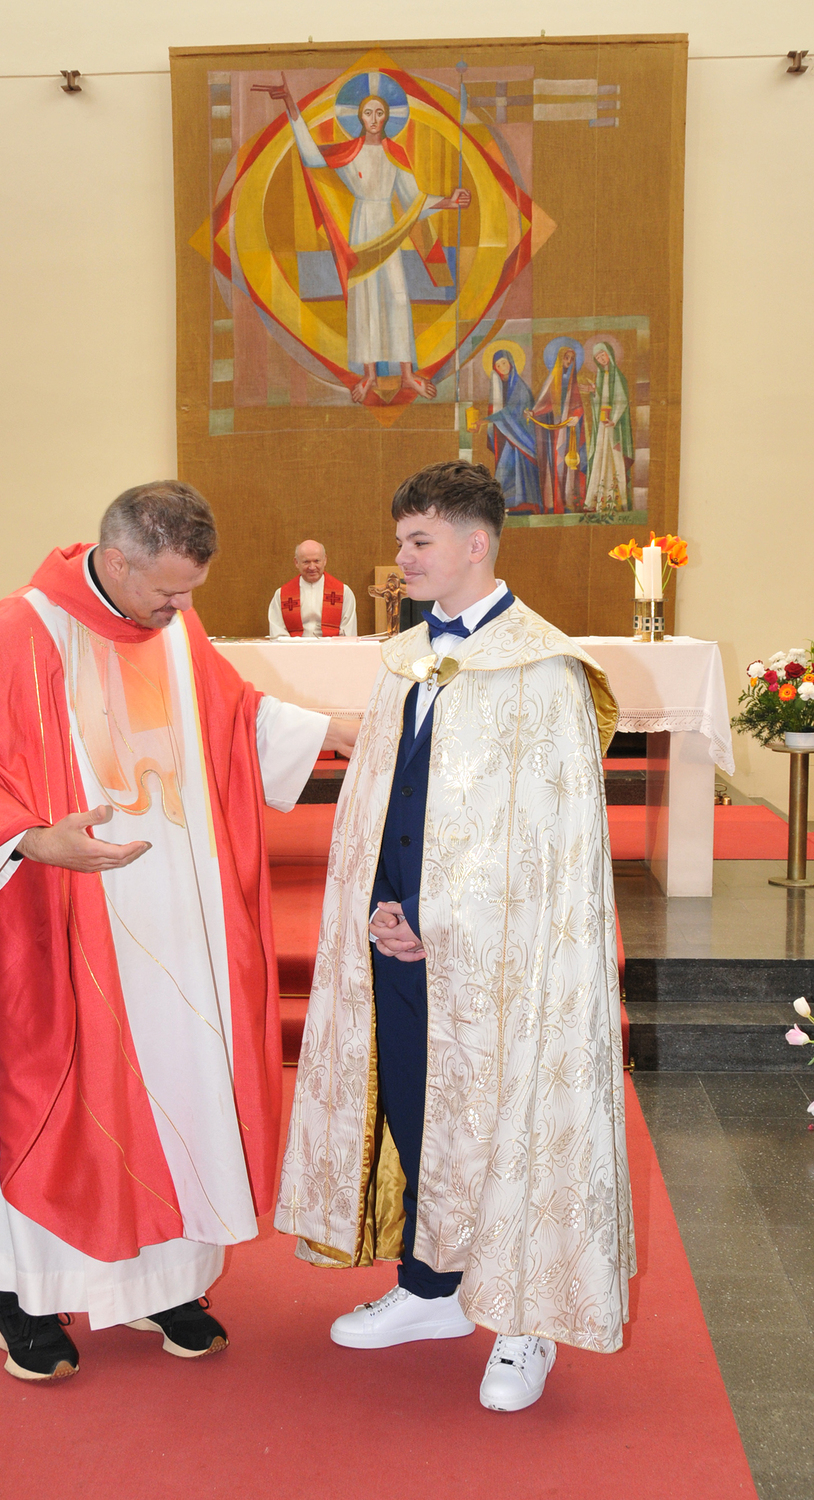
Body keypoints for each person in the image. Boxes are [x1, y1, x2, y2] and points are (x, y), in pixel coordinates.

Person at [0, 481, 358, 1383]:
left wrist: (348, 730)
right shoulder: (21, 631)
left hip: (173, 919)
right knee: (52, 1101)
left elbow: (233, 717)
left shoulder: (171, 628)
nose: (183, 609)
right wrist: (34, 839)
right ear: (115, 563)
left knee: (178, 1091)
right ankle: (26, 1299)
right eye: (169, 590)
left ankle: (165, 1284)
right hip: (58, 914)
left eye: (190, 591)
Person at [276, 460, 633, 1413]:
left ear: (477, 544)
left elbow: (548, 841)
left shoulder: (543, 668)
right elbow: (379, 803)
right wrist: (381, 907)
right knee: (412, 1102)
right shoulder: (405, 660)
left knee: (507, 1114)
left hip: (503, 959)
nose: (401, 558)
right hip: (398, 935)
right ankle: (431, 1288)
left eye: (418, 540)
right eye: (402, 540)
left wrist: (445, 923)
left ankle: (524, 1321)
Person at [254, 76, 469, 404]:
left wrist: (449, 202)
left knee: (397, 295)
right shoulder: (350, 153)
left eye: (379, 112)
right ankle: (369, 375)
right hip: (361, 228)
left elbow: (413, 200)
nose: (373, 118)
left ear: (387, 117)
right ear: (359, 117)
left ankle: (407, 374)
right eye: (368, 112)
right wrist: (290, 105)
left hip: (388, 230)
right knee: (365, 298)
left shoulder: (395, 153)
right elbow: (311, 156)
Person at [478, 351, 542, 512]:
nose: (502, 367)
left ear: (511, 363)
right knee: (506, 467)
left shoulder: (519, 386)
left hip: (521, 435)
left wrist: (485, 421)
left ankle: (521, 503)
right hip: (508, 434)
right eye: (498, 365)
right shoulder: (499, 385)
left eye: (504, 363)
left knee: (510, 467)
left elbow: (511, 412)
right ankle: (506, 504)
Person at [531, 343, 587, 513]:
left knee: (569, 464)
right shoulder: (552, 379)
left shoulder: (575, 381)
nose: (568, 362)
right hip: (555, 430)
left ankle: (570, 500)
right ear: (559, 359)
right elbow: (544, 403)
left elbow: (582, 405)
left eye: (571, 359)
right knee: (556, 464)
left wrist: (576, 416)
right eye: (566, 358)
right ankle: (556, 501)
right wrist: (533, 412)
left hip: (571, 430)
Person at [268, 540, 358, 638]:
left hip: (331, 647)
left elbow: (348, 634)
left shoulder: (343, 592)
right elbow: (278, 633)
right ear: (296, 562)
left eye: (316, 561)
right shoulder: (282, 594)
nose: (312, 567)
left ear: (325, 560)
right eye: (306, 562)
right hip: (295, 647)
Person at [584, 342, 634, 513]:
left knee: (615, 457)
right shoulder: (600, 376)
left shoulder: (617, 376)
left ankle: (618, 501)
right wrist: (594, 392)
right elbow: (599, 402)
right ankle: (597, 500)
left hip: (614, 425)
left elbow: (622, 400)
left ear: (609, 355)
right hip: (603, 424)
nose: (601, 359)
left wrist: (614, 419)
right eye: (598, 357)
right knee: (600, 456)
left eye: (602, 355)